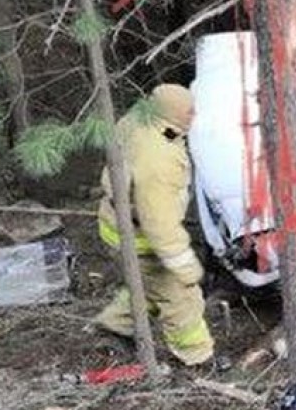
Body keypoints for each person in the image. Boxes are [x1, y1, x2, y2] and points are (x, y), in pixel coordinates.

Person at [92, 84, 215, 366]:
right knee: (180, 298)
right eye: (190, 112)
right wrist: (186, 267)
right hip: (142, 238)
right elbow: (160, 224)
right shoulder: (158, 159)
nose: (195, 116)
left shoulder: (137, 118)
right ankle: (197, 358)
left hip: (114, 225)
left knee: (146, 286)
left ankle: (114, 327)